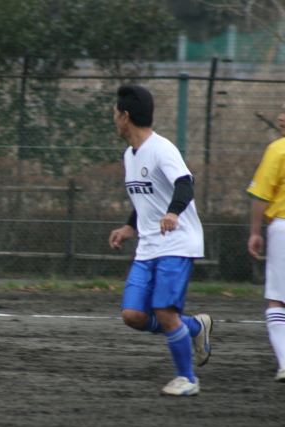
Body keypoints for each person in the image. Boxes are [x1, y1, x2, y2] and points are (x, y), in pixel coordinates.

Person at [108, 85, 212, 396]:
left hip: (177, 242)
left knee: (165, 312)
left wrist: (173, 213)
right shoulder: (130, 155)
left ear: (125, 116)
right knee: (133, 316)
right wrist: (129, 227)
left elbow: (185, 184)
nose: (113, 119)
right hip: (148, 246)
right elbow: (147, 196)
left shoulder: (162, 148)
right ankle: (195, 327)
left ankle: (187, 379)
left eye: (115, 114)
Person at [246, 101, 285, 382]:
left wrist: (255, 232)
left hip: (283, 227)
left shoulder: (278, 149)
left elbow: (261, 195)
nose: (281, 117)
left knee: (277, 299)